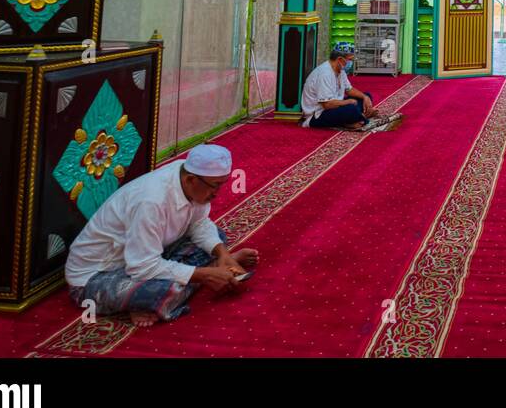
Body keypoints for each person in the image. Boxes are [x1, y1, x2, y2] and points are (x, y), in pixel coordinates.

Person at [63, 144, 258, 326]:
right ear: (190, 180)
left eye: (222, 184)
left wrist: (222, 253)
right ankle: (204, 273)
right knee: (160, 292)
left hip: (143, 254)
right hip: (96, 277)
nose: (217, 193)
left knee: (217, 238)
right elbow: (142, 267)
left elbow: (199, 223)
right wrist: (204, 276)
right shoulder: (151, 202)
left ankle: (214, 267)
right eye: (215, 185)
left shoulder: (191, 176)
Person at [300, 42, 404, 131]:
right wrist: (347, 102)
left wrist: (364, 97)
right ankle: (361, 117)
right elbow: (327, 104)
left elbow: (349, 90)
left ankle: (355, 118)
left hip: (334, 107)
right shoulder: (325, 73)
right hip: (317, 115)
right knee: (350, 109)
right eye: (350, 60)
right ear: (340, 59)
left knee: (365, 96)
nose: (351, 63)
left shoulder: (340, 70)